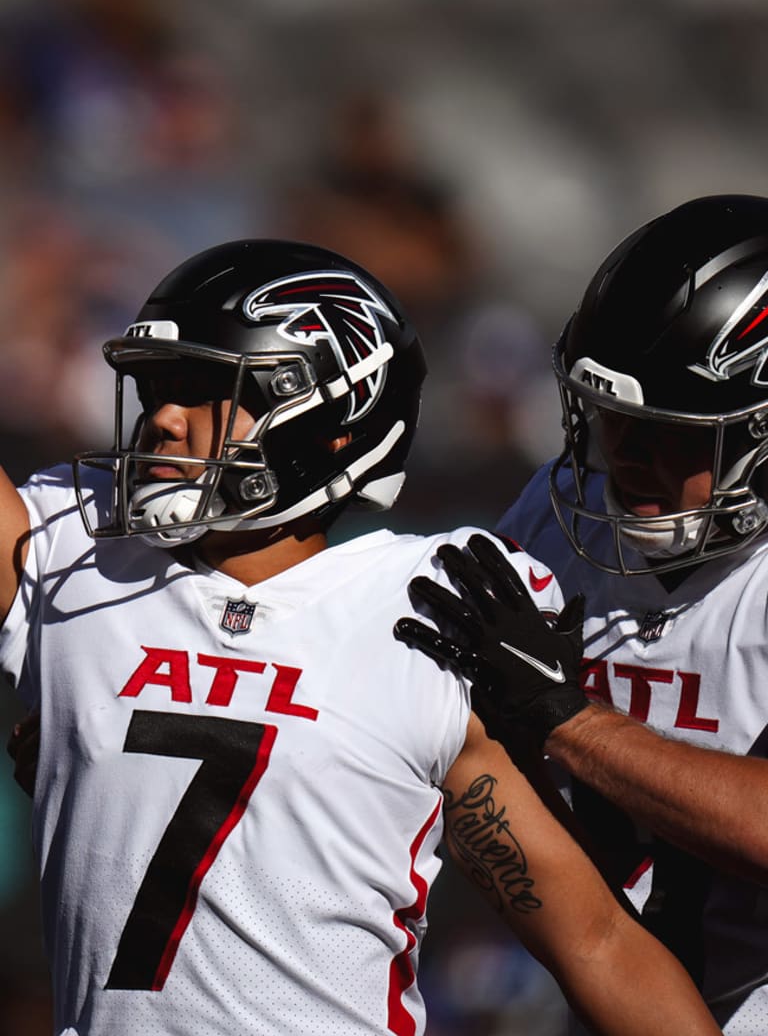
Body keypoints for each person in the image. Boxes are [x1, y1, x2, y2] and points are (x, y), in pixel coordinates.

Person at [0, 238, 718, 1036]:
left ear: (331, 424)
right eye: (159, 388)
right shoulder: (78, 545)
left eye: (207, 391)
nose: (163, 419)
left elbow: (594, 939)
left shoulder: (424, 611)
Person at [395, 193, 768, 1036]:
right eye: (611, 420)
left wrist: (571, 722)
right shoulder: (564, 507)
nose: (625, 456)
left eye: (672, 432)